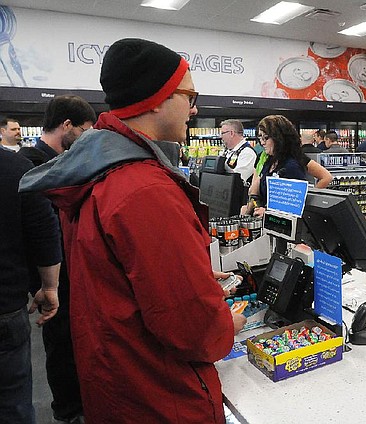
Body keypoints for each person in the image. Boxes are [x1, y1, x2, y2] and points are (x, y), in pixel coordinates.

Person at [19, 38, 245, 424]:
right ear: (156, 98)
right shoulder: (146, 190)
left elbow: (120, 278)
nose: (195, 108)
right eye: (189, 94)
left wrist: (193, 277)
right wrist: (228, 323)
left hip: (117, 381)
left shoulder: (98, 173)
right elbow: (193, 328)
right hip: (159, 394)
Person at [17, 94, 96, 424]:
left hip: (66, 276)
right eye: (84, 130)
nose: (86, 139)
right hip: (53, 280)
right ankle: (69, 412)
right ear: (67, 125)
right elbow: (40, 231)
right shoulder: (33, 165)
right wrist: (45, 283)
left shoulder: (52, 162)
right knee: (61, 347)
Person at [1, 148, 61, 424]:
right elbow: (44, 230)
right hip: (5, 308)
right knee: (12, 404)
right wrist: (49, 287)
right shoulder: (15, 167)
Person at [243, 115, 308, 217]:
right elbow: (256, 199)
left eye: (266, 138)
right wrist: (254, 205)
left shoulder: (292, 167)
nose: (262, 142)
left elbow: (293, 208)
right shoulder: (269, 161)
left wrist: (267, 212)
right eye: (260, 137)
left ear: (279, 138)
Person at [220, 119, 257, 184]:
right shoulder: (227, 151)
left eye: (223, 133)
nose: (221, 136)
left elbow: (238, 180)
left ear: (231, 133)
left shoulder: (247, 153)